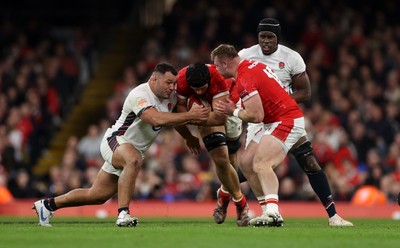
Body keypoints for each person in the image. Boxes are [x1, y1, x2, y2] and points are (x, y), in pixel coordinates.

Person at [32, 62, 210, 227]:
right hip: (115, 140)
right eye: (168, 82)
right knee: (132, 159)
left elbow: (173, 120)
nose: (172, 87)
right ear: (154, 78)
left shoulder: (169, 98)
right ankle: (123, 214)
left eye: (173, 83)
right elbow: (155, 118)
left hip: (130, 150)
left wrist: (187, 136)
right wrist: (191, 115)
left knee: (97, 195)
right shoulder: (139, 94)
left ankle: (47, 205)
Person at [237, 18, 353, 227]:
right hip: (259, 120)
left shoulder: (291, 58)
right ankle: (260, 208)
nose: (266, 41)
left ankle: (334, 216)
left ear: (277, 38)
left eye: (270, 37)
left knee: (309, 163)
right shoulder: (245, 55)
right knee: (249, 164)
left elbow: (305, 92)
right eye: (262, 36)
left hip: (284, 117)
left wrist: (278, 99)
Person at [212, 44, 305, 227]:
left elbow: (256, 116)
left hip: (286, 120)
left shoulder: (244, 78)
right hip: (273, 120)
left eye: (216, 66)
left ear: (224, 63)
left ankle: (273, 213)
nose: (215, 69)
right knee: (246, 163)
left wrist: (234, 111)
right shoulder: (253, 65)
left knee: (261, 163)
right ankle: (266, 212)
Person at [175, 62, 250, 227]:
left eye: (202, 88)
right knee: (221, 160)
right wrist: (194, 117)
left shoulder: (218, 78)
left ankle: (224, 197)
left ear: (208, 80)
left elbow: (219, 118)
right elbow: (178, 108)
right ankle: (241, 202)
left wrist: (193, 118)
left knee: (231, 159)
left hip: (230, 105)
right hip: (202, 108)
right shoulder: (181, 79)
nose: (199, 91)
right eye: (195, 89)